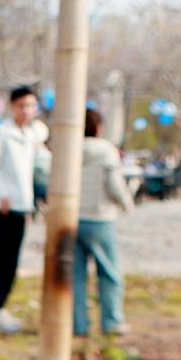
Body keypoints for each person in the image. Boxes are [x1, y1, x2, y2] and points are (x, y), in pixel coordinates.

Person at [0, 85, 47, 333]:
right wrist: (2, 194)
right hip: (6, 205)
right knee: (3, 259)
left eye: (30, 106)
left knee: (12, 260)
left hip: (22, 204)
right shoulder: (2, 133)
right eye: (21, 106)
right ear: (12, 107)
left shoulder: (31, 134)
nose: (26, 110)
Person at [73, 109, 134, 338]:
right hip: (100, 218)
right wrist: (127, 204)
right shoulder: (106, 149)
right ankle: (112, 321)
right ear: (99, 127)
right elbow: (114, 184)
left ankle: (79, 324)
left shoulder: (70, 148)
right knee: (109, 272)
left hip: (72, 218)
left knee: (76, 276)